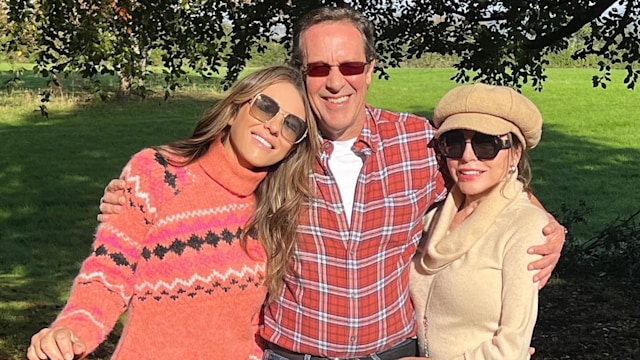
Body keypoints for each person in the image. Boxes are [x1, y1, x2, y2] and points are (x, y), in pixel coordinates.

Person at [97, 7, 566, 359]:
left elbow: (486, 175)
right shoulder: (277, 147)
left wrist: (542, 224)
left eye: (350, 67)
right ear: (302, 74)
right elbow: (194, 183)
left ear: (370, 71)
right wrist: (129, 203)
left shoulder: (419, 144)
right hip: (290, 352)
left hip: (392, 352)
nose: (335, 82)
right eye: (319, 68)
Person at [27, 65, 320, 360]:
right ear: (233, 111)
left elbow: (255, 325)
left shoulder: (277, 214)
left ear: (292, 146)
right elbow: (109, 272)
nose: (273, 126)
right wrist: (73, 332)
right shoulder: (158, 174)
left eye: (291, 125)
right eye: (265, 107)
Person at [406, 83, 549, 359]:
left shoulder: (525, 226)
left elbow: (511, 348)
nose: (467, 157)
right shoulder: (433, 215)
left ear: (515, 153)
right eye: (455, 143)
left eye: (486, 144)